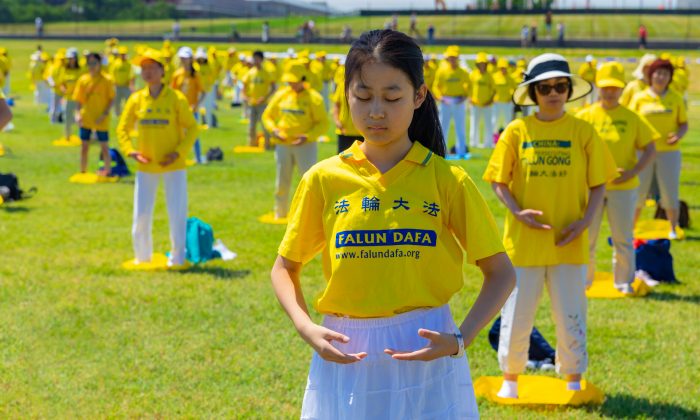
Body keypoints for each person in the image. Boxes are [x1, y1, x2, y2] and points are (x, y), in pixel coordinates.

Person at [271, 29, 515, 418]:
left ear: (419, 96)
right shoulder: (324, 178)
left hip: (426, 344)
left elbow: (501, 272)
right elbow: (285, 268)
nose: (376, 111)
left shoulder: (447, 180)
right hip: (347, 347)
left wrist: (459, 339)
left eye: (392, 96)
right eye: (363, 97)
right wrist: (307, 329)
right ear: (346, 96)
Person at [483, 53, 617, 399]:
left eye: (560, 86)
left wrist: (586, 220)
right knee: (517, 313)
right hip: (524, 244)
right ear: (534, 93)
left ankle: (573, 377)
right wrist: (517, 212)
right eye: (545, 88)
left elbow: (600, 180)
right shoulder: (517, 130)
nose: (554, 93)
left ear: (569, 89)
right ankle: (510, 379)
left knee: (571, 312)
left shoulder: (583, 131)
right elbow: (498, 179)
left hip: (567, 241)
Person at [576, 62, 658, 294]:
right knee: (587, 237)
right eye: (605, 87)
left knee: (623, 237)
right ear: (597, 88)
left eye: (614, 87)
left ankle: (624, 281)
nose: (610, 92)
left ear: (622, 88)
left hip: (623, 187)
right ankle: (584, 281)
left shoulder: (631, 118)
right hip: (591, 187)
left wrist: (633, 171)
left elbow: (651, 147)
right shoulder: (584, 116)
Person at [117, 49, 199, 268]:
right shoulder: (136, 99)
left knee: (177, 212)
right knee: (141, 214)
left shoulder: (175, 98)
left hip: (174, 165)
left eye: (152, 68)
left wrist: (178, 153)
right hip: (146, 166)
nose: (148, 72)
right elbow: (122, 128)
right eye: (144, 69)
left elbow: (192, 128)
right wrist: (130, 151)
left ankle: (178, 258)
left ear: (163, 71)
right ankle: (142, 256)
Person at [629, 59, 688, 239]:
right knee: (638, 191)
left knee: (669, 190)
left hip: (668, 153)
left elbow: (684, 124)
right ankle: (631, 229)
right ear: (650, 75)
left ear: (670, 77)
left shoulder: (675, 98)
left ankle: (673, 227)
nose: (661, 77)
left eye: (665, 74)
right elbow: (632, 123)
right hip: (643, 152)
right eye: (658, 73)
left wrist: (678, 135)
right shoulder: (639, 97)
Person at [262, 62, 329, 219]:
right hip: (283, 145)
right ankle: (280, 213)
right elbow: (267, 116)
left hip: (305, 146)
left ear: (302, 79)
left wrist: (308, 136)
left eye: (294, 81)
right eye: (289, 81)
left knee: (309, 182)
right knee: (281, 182)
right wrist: (274, 130)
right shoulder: (281, 95)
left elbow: (323, 123)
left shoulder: (314, 98)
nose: (291, 83)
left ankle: (312, 217)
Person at [72, 52, 115, 176]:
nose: (92, 66)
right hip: (87, 117)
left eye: (94, 63)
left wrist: (105, 114)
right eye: (89, 63)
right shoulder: (83, 80)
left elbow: (111, 98)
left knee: (104, 147)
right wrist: (77, 114)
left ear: (100, 64)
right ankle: (83, 171)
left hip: (101, 118)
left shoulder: (107, 80)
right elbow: (78, 100)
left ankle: (108, 171)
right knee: (84, 146)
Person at [432, 46, 469, 158]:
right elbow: (435, 86)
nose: (452, 59)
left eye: (454, 57)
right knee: (443, 127)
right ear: (447, 58)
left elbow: (469, 85)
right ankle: (442, 151)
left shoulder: (462, 72)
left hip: (459, 101)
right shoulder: (442, 71)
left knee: (460, 127)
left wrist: (465, 96)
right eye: (450, 57)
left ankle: (461, 152)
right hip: (446, 101)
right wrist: (440, 97)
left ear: (457, 58)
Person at [171, 46, 205, 163]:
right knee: (178, 136)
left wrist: (197, 105)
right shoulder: (177, 74)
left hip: (192, 110)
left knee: (193, 135)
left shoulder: (195, 74)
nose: (184, 60)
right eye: (182, 58)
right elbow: (173, 92)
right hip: (179, 110)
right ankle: (179, 158)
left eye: (186, 58)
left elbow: (202, 92)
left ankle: (198, 157)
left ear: (191, 59)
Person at [241, 50, 275, 149]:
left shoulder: (267, 73)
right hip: (252, 104)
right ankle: (251, 144)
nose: (255, 61)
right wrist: (246, 97)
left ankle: (267, 145)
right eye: (254, 59)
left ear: (261, 60)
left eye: (257, 59)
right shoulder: (250, 72)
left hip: (263, 103)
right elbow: (244, 87)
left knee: (265, 125)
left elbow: (273, 87)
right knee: (251, 126)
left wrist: (264, 97)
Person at [469, 52, 495, 148]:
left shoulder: (489, 76)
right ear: (477, 64)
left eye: (484, 63)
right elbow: (469, 88)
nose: (482, 65)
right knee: (474, 124)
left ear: (486, 64)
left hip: (487, 104)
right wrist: (470, 98)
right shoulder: (473, 74)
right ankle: (473, 143)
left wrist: (490, 100)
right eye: (480, 63)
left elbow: (494, 90)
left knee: (488, 124)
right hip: (475, 104)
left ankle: (488, 143)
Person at [58, 48, 84, 141]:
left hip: (78, 98)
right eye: (69, 58)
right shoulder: (65, 70)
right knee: (67, 118)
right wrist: (64, 90)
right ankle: (67, 136)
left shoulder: (80, 70)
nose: (71, 60)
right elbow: (61, 83)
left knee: (80, 118)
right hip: (68, 98)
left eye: (72, 58)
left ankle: (83, 136)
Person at [492, 58, 516, 133]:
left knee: (508, 121)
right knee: (495, 120)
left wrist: (511, 97)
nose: (503, 69)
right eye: (502, 68)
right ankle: (494, 137)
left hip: (507, 102)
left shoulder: (510, 77)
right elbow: (492, 89)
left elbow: (515, 89)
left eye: (504, 68)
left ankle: (508, 137)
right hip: (497, 102)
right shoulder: (495, 76)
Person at [110, 46, 134, 116]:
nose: (123, 56)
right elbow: (112, 73)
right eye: (121, 54)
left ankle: (128, 113)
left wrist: (130, 82)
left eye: (124, 54)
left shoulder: (129, 64)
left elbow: (131, 74)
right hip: (117, 86)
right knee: (116, 101)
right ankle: (117, 114)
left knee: (128, 101)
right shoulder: (115, 63)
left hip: (126, 86)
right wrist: (115, 82)